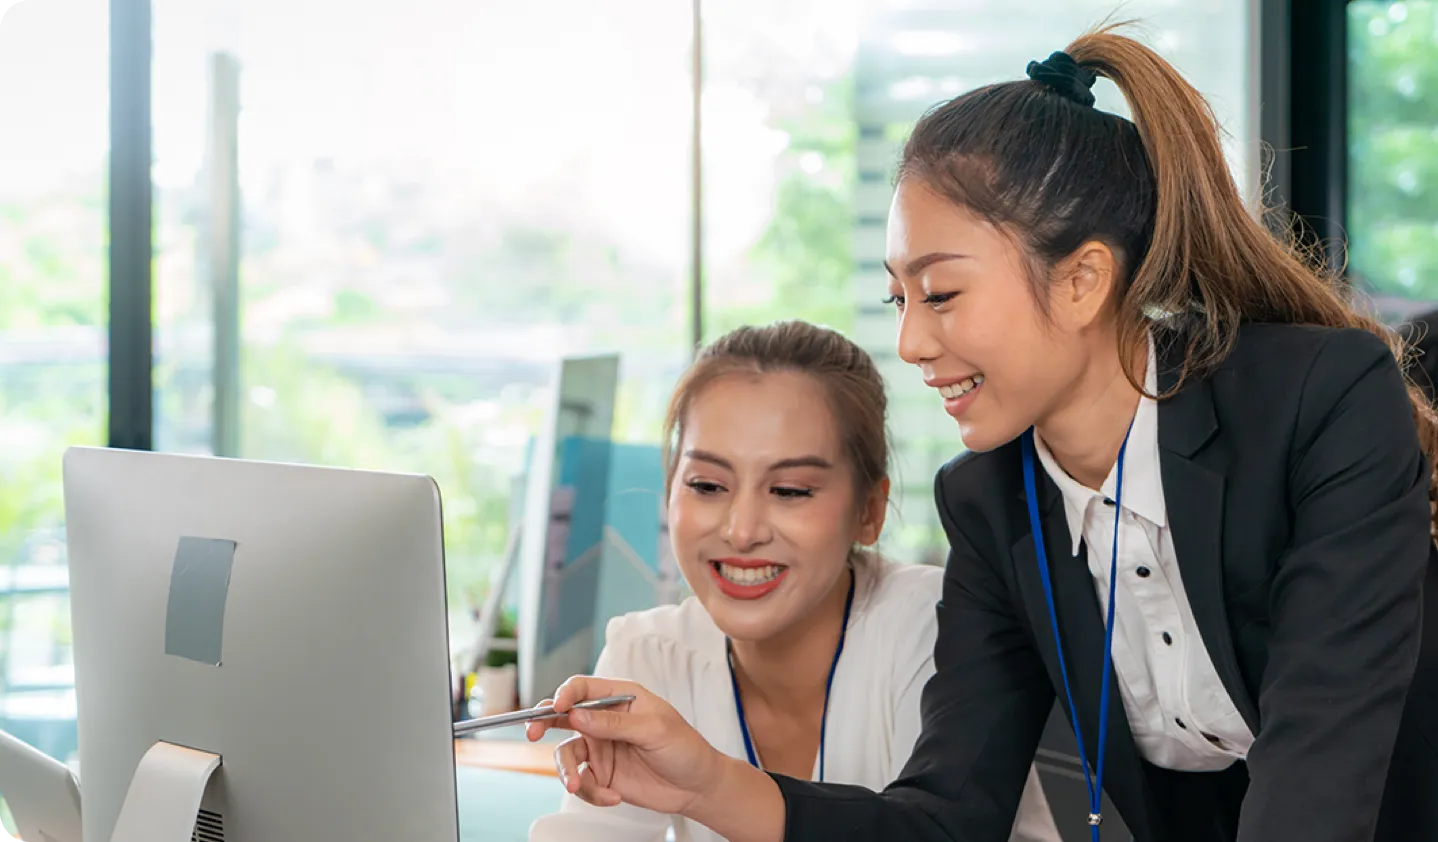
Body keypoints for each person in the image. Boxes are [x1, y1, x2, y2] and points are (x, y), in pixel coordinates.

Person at [527, 26, 1438, 842]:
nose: (912, 342)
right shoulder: (992, 501)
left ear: (1083, 282)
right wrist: (705, 783)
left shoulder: (1318, 400)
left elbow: (1321, 758)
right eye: (899, 297)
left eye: (943, 293)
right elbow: (946, 816)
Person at [526, 321, 1060, 842]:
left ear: (869, 511)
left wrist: (712, 787)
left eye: (790, 490)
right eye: (707, 485)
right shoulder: (649, 657)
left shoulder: (936, 630)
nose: (741, 531)